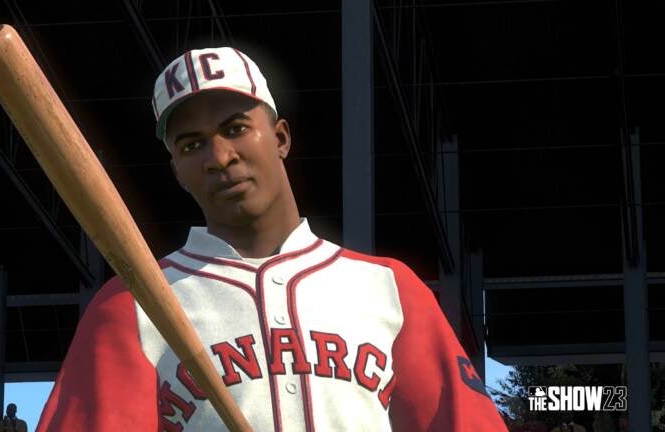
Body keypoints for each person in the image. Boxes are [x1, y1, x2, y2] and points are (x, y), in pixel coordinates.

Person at [36, 47, 507, 431]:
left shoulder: (389, 288)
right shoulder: (130, 304)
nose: (219, 157)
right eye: (190, 144)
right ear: (177, 171)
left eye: (236, 128)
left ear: (280, 137)